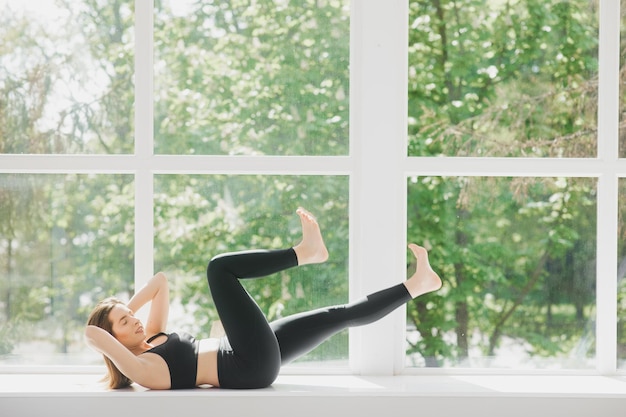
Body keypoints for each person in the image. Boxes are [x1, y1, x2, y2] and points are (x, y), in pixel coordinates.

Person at [85, 207, 442, 390]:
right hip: (247, 364)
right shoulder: (144, 371)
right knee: (218, 270)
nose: (134, 319)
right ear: (112, 338)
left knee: (339, 315)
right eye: (123, 322)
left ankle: (417, 284)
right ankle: (304, 253)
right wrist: (106, 320)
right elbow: (92, 335)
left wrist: (122, 310)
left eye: (130, 314)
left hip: (249, 354)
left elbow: (161, 282)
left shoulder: (153, 336)